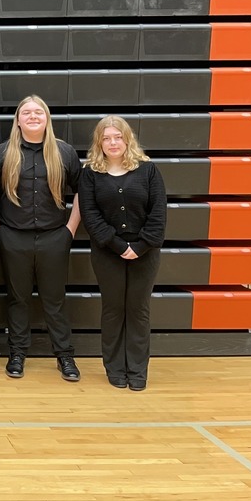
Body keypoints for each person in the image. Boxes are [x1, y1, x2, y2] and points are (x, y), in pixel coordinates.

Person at [0, 95, 82, 382]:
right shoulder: (2, 154)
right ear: (18, 120)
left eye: (38, 112)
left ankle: (64, 356)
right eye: (26, 112)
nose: (32, 116)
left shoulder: (64, 153)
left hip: (55, 237)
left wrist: (70, 230)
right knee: (18, 299)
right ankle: (17, 354)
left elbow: (83, 192)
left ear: (47, 118)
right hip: (13, 238)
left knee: (55, 300)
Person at [78, 116, 167, 391]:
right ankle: (115, 368)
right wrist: (118, 246)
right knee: (114, 309)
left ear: (127, 139)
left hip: (146, 251)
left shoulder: (148, 171)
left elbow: (158, 213)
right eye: (106, 138)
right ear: (99, 143)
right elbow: (90, 217)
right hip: (107, 252)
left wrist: (140, 246)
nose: (112, 142)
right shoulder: (90, 173)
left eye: (117, 137)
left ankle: (137, 370)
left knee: (138, 310)